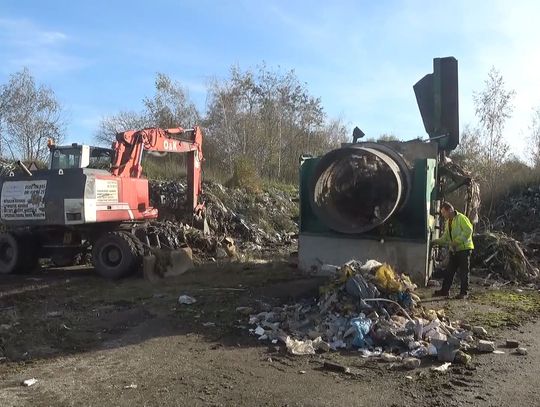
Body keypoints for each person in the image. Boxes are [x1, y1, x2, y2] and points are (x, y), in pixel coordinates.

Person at [432, 202, 474, 299]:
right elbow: (446, 237)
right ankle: (445, 291)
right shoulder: (448, 222)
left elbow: (468, 230)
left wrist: (456, 242)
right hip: (454, 250)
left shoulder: (461, 218)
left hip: (464, 249)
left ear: (449, 210)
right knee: (449, 271)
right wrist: (435, 242)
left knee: (464, 272)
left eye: (443, 212)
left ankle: (464, 293)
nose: (443, 215)